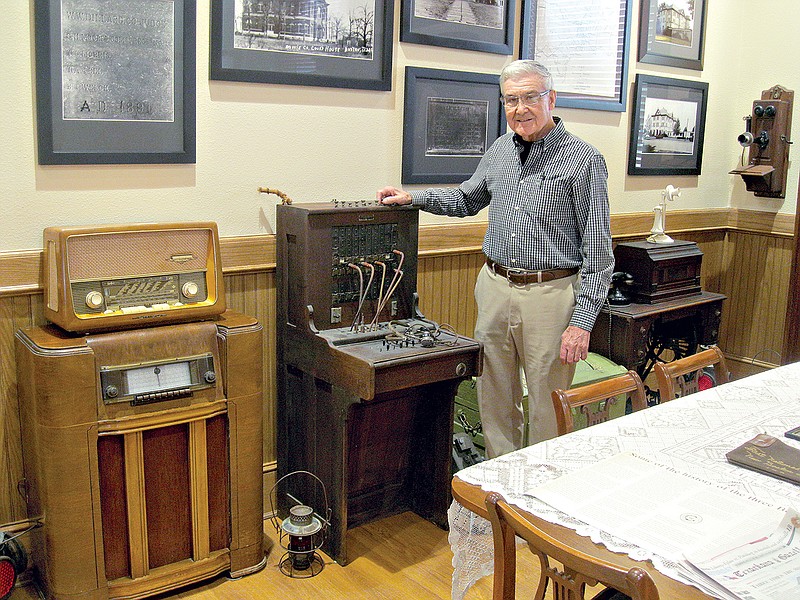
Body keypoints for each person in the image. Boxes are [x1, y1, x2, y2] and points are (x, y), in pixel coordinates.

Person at [376, 60, 614, 458]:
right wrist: (413, 198)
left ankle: (538, 497)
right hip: (495, 287)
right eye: (511, 99)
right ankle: (498, 494)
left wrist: (581, 323)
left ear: (551, 99)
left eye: (530, 98)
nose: (520, 108)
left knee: (547, 406)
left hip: (550, 294)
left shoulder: (584, 160)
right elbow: (467, 199)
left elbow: (599, 254)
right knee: (494, 396)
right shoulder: (500, 150)